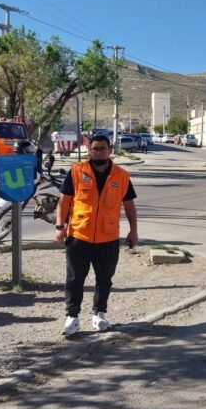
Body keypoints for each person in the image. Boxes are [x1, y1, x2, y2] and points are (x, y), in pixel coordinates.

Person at [54, 135, 138, 336]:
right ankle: (72, 318)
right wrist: (59, 226)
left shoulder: (122, 175)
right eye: (95, 149)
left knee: (104, 279)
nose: (98, 152)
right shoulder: (76, 171)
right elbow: (64, 202)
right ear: (89, 150)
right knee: (74, 279)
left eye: (102, 149)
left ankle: (99, 315)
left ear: (110, 150)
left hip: (108, 237)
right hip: (78, 235)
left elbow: (129, 206)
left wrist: (133, 230)